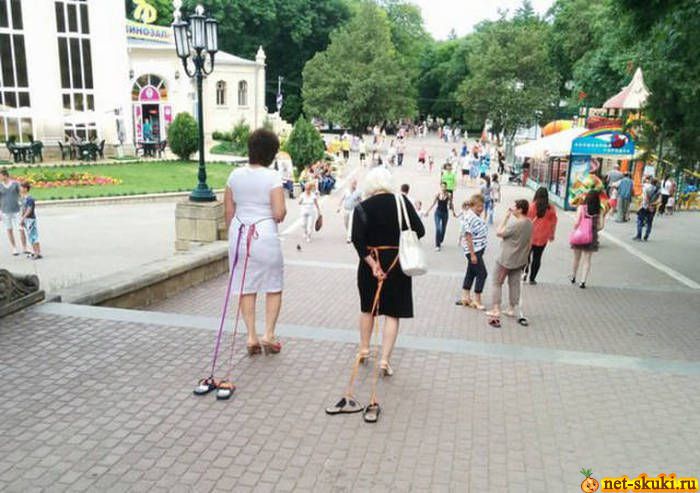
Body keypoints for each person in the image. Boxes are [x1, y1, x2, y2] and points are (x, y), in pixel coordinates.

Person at [342, 167, 425, 422]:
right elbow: (420, 230)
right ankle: (385, 360)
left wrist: (372, 264)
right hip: (397, 262)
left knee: (367, 308)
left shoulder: (362, 207)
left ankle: (365, 349)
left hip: (371, 262)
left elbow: (356, 239)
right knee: (392, 312)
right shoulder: (402, 202)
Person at [223, 129, 287, 358]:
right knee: (273, 285)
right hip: (265, 236)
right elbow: (279, 212)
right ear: (271, 153)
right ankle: (268, 334)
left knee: (244, 285)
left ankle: (251, 335)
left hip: (239, 234)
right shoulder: (272, 177)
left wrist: (233, 234)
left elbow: (228, 211)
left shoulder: (234, 176)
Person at [486, 199, 533, 319]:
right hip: (520, 259)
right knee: (514, 284)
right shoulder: (529, 223)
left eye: (514, 207)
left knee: (497, 282)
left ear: (520, 210)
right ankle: (511, 308)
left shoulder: (516, 224)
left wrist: (506, 218)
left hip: (506, 258)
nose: (512, 209)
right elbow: (529, 243)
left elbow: (499, 232)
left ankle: (496, 309)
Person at [456, 194, 488, 309]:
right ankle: (477, 300)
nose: (481, 208)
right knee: (482, 273)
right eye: (478, 206)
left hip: (476, 249)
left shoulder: (473, 215)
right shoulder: (471, 217)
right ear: (472, 206)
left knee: (471, 272)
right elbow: (468, 236)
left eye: (482, 206)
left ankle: (465, 297)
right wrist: (473, 254)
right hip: (474, 250)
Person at [570, 190, 605, 288]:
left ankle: (573, 276)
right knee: (587, 259)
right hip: (591, 237)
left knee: (576, 258)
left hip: (580, 235)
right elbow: (601, 226)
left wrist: (577, 228)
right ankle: (583, 281)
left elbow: (576, 223)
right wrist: (592, 229)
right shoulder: (600, 211)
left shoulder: (581, 208)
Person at [524, 187, 557, 284]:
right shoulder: (551, 208)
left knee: (526, 255)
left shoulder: (531, 206)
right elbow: (554, 222)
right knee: (537, 258)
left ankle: (525, 272)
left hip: (530, 236)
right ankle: (532, 279)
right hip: (543, 237)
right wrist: (552, 235)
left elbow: (525, 220)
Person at [0, 168, 25, 256]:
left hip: (16, 211)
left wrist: (22, 204)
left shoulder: (15, 184)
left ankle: (24, 247)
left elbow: (21, 194)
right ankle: (14, 248)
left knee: (21, 229)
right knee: (9, 229)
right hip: (5, 211)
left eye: (0, 176)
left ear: (5, 175)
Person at [425, 182, 454, 251]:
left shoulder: (449, 195)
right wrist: (427, 211)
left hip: (445, 213)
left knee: (443, 229)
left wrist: (453, 212)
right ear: (440, 187)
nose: (443, 188)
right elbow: (433, 203)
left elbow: (451, 204)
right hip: (438, 213)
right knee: (438, 228)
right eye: (442, 186)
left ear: (446, 187)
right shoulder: (437, 194)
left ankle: (440, 239)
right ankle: (437, 245)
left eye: (445, 186)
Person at [19, 182, 41, 259]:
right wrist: (23, 218)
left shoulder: (29, 199)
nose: (20, 189)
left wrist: (23, 218)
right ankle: (36, 252)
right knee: (31, 236)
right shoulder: (24, 198)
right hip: (27, 219)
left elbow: (29, 210)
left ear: (25, 189)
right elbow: (23, 209)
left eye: (21, 187)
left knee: (33, 236)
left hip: (30, 220)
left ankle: (36, 253)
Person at [634, 176, 659, 241]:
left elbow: (646, 198)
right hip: (653, 208)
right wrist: (653, 205)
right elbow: (660, 200)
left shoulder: (646, 187)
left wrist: (648, 205)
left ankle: (639, 236)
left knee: (640, 220)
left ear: (650, 181)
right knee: (649, 222)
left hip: (644, 206)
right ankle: (646, 236)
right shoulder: (658, 190)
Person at [337, 179, 362, 243]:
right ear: (350, 184)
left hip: (353, 209)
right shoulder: (346, 191)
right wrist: (339, 207)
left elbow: (360, 200)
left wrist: (361, 209)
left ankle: (349, 237)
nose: (353, 185)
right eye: (352, 183)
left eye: (355, 183)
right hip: (346, 209)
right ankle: (349, 232)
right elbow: (342, 199)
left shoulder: (358, 192)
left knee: (351, 223)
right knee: (346, 223)